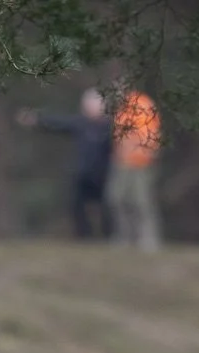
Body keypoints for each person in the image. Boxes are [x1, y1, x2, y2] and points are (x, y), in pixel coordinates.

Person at [16, 88, 114, 240]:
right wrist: (36, 120)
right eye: (87, 104)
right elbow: (58, 123)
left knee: (107, 207)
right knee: (76, 206)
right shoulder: (81, 123)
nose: (90, 107)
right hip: (83, 174)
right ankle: (84, 237)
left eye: (94, 104)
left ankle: (109, 237)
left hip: (104, 175)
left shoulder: (111, 127)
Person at [109, 89, 163, 251]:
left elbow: (149, 134)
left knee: (142, 202)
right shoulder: (121, 108)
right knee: (116, 198)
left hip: (140, 163)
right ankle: (124, 237)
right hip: (122, 162)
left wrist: (138, 149)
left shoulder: (142, 104)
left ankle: (148, 239)